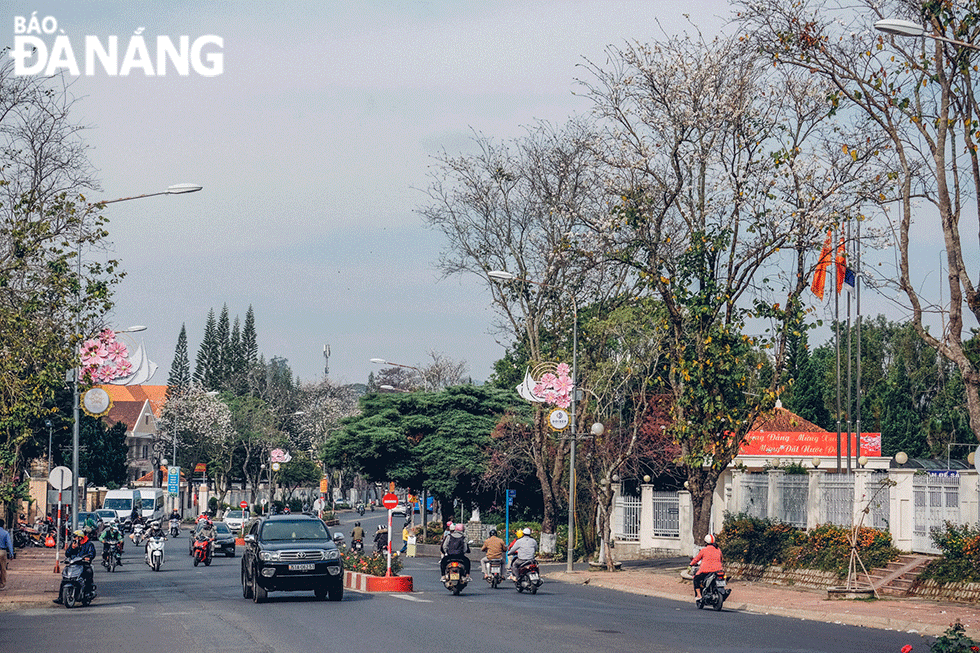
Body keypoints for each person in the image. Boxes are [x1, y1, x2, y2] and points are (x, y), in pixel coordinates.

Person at [54, 530, 96, 604]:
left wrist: (88, 558)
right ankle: (60, 597)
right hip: (74, 563)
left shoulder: (89, 544)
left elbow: (92, 553)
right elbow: (67, 554)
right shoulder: (74, 544)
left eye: (76, 537)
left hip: (84, 564)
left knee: (88, 573)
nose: (74, 538)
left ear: (80, 537)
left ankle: (88, 593)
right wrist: (73, 548)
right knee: (65, 579)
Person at [690, 534, 724, 599]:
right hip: (718, 571)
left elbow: (696, 559)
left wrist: (691, 564)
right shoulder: (718, 550)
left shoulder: (704, 550)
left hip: (706, 572)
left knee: (696, 579)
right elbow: (721, 559)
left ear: (705, 542)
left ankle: (699, 595)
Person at [0, 519, 13, 590]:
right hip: (2, 552)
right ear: (3, 525)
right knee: (3, 568)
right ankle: (2, 584)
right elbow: (9, 544)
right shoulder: (5, 533)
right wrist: (11, 554)